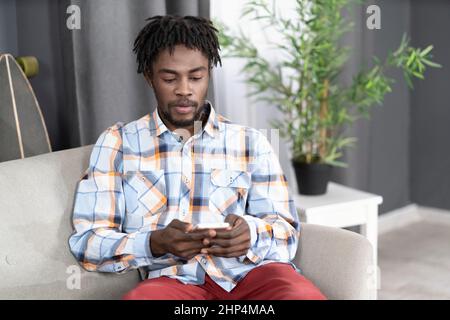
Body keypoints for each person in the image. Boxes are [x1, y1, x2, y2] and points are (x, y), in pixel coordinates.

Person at [68, 15, 326, 300]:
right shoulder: (117, 144)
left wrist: (250, 234)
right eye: (169, 78)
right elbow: (88, 242)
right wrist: (153, 243)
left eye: (195, 77)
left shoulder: (250, 141)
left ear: (209, 74)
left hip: (255, 275)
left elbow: (286, 231)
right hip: (174, 282)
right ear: (149, 77)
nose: (184, 90)